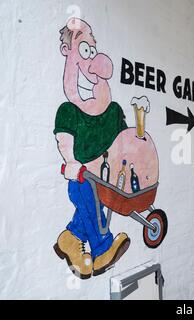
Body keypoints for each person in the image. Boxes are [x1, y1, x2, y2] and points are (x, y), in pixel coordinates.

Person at [53, 18, 130, 279]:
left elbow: (125, 141)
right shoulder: (69, 111)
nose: (91, 59)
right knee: (88, 196)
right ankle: (102, 247)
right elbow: (65, 144)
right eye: (85, 49)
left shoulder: (113, 111)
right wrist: (72, 164)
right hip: (83, 177)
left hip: (107, 179)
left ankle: (71, 237)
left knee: (90, 207)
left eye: (93, 50)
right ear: (69, 53)